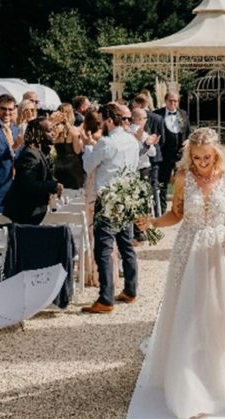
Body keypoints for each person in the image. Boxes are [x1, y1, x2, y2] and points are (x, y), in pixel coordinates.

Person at [137, 128, 225, 419]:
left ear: (216, 153)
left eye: (207, 157)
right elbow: (177, 214)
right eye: (196, 158)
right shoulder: (182, 178)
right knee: (190, 314)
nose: (202, 163)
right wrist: (154, 223)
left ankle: (217, 375)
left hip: (218, 251)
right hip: (189, 247)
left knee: (218, 314)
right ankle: (189, 383)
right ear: (189, 155)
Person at [81, 102, 141, 314]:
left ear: (108, 120)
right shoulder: (132, 141)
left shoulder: (106, 143)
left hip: (107, 199)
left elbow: (88, 166)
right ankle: (131, 290)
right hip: (126, 198)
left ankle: (106, 298)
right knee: (126, 246)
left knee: (104, 249)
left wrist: (88, 147)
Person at [3, 116, 63, 225]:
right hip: (25, 212)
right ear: (38, 134)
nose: (53, 133)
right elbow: (29, 185)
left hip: (33, 210)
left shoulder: (40, 152)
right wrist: (53, 186)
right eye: (49, 131)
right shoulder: (30, 154)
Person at [155, 92, 190, 214]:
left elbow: (188, 132)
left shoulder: (183, 114)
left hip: (180, 154)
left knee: (182, 181)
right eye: (171, 100)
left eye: (175, 101)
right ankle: (162, 210)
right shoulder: (157, 114)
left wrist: (188, 141)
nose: (173, 103)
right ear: (165, 101)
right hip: (164, 154)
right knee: (162, 182)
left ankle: (181, 208)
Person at [133, 94, 166, 216]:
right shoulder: (158, 117)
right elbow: (162, 140)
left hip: (138, 165)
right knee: (153, 188)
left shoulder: (128, 130)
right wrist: (151, 144)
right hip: (147, 163)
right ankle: (156, 214)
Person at [53, 104, 87, 191]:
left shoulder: (54, 129)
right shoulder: (73, 130)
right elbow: (77, 150)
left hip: (58, 165)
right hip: (72, 167)